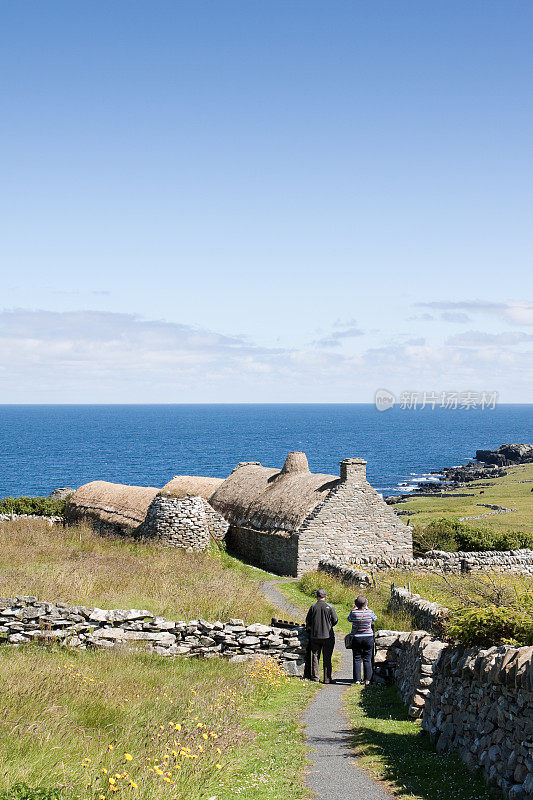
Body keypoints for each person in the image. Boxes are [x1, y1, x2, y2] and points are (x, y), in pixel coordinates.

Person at [305, 588, 338, 683]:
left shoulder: (313, 607)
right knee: (327, 657)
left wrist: (311, 628)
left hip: (315, 635)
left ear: (317, 596)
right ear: (325, 596)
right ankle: (327, 678)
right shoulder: (330, 607)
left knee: (315, 656)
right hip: (328, 635)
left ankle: (315, 677)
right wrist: (329, 625)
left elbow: (308, 621)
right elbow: (335, 620)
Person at [348, 595, 377, 685]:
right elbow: (375, 618)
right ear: (365, 603)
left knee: (357, 658)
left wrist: (355, 608)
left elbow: (349, 619)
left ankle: (357, 679)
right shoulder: (370, 612)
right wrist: (366, 608)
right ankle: (367, 679)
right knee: (367, 658)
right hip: (368, 637)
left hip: (356, 637)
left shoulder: (353, 613)